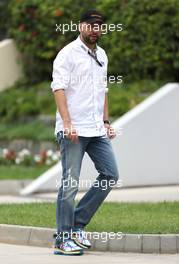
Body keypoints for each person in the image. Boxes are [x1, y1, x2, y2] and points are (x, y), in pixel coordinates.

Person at [51, 9, 119, 256]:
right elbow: (58, 88)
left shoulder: (101, 54)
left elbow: (103, 90)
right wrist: (67, 123)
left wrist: (106, 121)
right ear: (80, 26)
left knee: (110, 174)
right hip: (73, 130)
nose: (95, 29)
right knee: (70, 184)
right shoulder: (67, 54)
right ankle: (62, 238)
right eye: (90, 25)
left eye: (99, 25)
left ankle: (76, 225)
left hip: (96, 129)